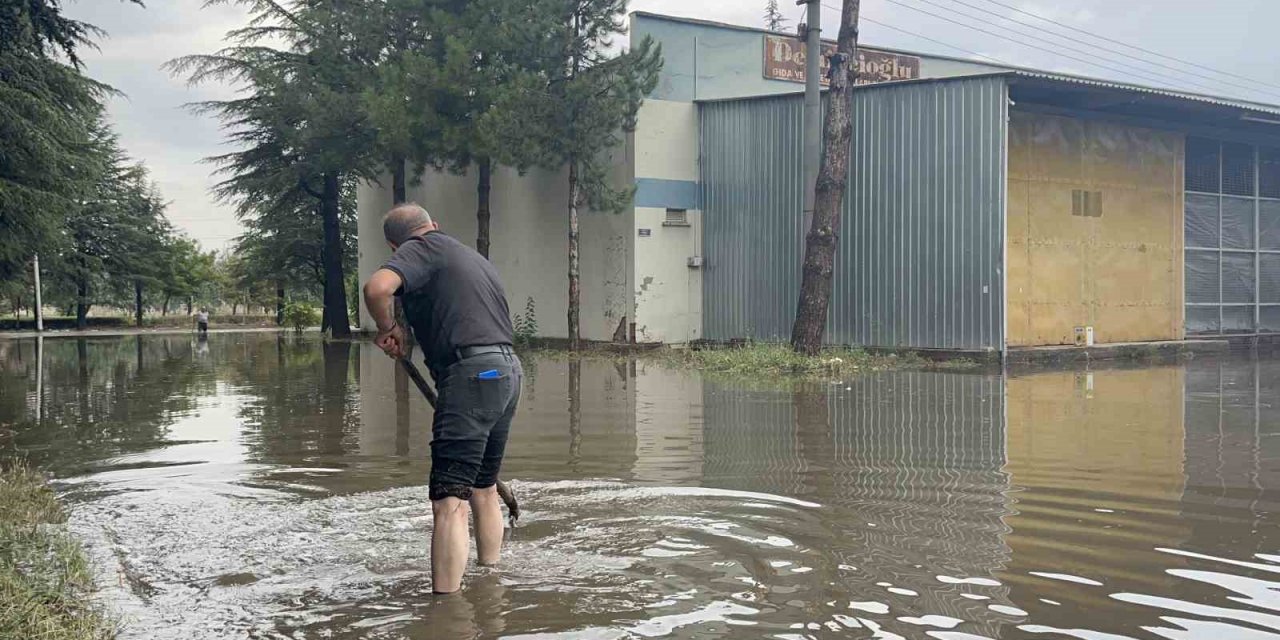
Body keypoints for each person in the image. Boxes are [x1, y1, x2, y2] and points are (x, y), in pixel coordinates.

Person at [362, 203, 522, 595]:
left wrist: (388, 327)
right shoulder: (470, 256)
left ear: (393, 243)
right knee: (483, 487)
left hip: (471, 375)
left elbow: (377, 288)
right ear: (435, 224)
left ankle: (446, 612)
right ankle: (490, 582)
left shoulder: (419, 249)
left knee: (450, 500)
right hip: (508, 371)